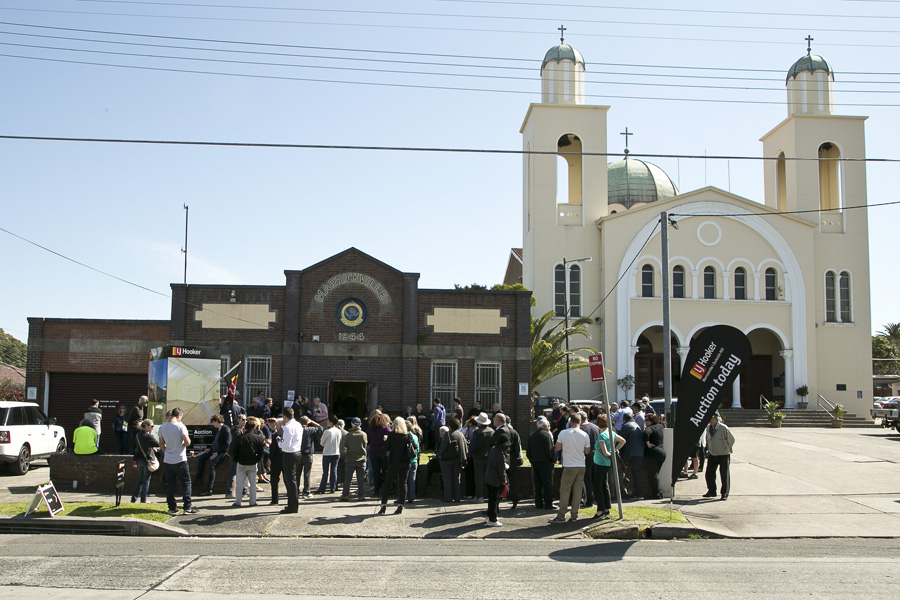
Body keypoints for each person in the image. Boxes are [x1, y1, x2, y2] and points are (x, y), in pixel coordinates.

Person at [549, 413, 590, 524]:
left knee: (565, 490)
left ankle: (561, 515)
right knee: (577, 491)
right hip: (581, 465)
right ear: (580, 422)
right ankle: (574, 515)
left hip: (569, 465)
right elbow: (587, 451)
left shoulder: (563, 433)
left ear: (570, 421)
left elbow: (557, 448)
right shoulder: (584, 434)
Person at [158, 407, 197, 515]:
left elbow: (161, 443)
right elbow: (188, 442)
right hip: (180, 459)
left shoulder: (162, 427)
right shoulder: (181, 426)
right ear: (179, 415)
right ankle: (187, 507)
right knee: (186, 483)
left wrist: (167, 451)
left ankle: (171, 507)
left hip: (168, 460)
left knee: (170, 484)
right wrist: (181, 446)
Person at [592, 414, 625, 519]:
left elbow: (605, 452)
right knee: (604, 485)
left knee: (598, 486)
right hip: (607, 464)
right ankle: (606, 508)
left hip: (600, 463)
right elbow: (623, 441)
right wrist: (615, 450)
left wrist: (609, 453)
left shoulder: (601, 436)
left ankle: (600, 510)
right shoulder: (611, 433)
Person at [378, 417, 413, 515]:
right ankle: (400, 506)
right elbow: (413, 446)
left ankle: (383, 505)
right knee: (403, 484)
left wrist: (386, 440)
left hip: (393, 462)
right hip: (405, 462)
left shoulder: (391, 435)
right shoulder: (407, 435)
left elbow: (386, 448)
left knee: (387, 484)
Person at [230, 419, 265, 507]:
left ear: (245, 427)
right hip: (252, 462)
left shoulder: (240, 438)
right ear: (253, 428)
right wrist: (257, 460)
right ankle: (252, 502)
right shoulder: (258, 438)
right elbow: (261, 452)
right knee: (253, 483)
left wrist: (236, 459)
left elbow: (234, 451)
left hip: (241, 462)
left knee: (240, 482)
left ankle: (238, 502)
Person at [195, 413, 232, 496]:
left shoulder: (225, 429)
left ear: (216, 421)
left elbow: (227, 443)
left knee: (212, 466)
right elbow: (216, 442)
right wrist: (210, 449)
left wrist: (217, 453)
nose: (212, 425)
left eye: (213, 422)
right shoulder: (218, 430)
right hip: (214, 450)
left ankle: (209, 488)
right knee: (201, 458)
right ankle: (198, 479)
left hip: (222, 452)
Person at [493, 412, 523, 510]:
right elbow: (518, 448)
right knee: (511, 482)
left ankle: (496, 504)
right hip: (512, 460)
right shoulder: (514, 433)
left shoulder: (500, 432)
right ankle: (514, 497)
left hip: (503, 460)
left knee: (498, 482)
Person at [704, 412, 736, 500]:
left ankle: (724, 493)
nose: (710, 420)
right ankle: (712, 491)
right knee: (709, 474)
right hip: (712, 453)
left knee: (724, 474)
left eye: (711, 418)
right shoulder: (708, 428)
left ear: (716, 419)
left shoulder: (723, 428)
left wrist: (728, 448)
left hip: (723, 454)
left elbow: (731, 439)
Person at [527, 417, 555, 510]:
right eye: (548, 425)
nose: (549, 427)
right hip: (546, 463)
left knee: (537, 484)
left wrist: (532, 460)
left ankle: (538, 503)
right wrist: (553, 459)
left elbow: (528, 452)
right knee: (547, 484)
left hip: (535, 463)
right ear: (544, 426)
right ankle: (548, 503)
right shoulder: (546, 435)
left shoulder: (532, 436)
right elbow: (549, 450)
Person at [278, 407, 303, 513]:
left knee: (290, 481)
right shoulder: (297, 424)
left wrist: (279, 443)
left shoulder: (288, 427)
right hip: (297, 452)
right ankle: (292, 504)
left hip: (289, 454)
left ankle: (292, 505)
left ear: (284, 416)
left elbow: (286, 444)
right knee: (292, 479)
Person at [483, 430, 510, 527]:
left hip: (488, 478)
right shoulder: (500, 455)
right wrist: (504, 481)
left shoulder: (493, 449)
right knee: (494, 500)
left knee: (491, 499)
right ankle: (492, 519)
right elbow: (501, 471)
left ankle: (489, 515)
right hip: (495, 480)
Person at [437, 419, 467, 502]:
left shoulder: (448, 434)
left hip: (447, 460)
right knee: (456, 479)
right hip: (458, 460)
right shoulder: (461, 434)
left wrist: (438, 455)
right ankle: (457, 497)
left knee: (447, 479)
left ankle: (448, 497)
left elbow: (443, 447)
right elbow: (465, 448)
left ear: (450, 426)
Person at [130, 418, 158, 503]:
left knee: (141, 480)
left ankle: (134, 498)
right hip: (147, 460)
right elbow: (157, 444)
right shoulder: (148, 436)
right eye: (151, 426)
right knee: (146, 480)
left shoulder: (138, 435)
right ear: (146, 426)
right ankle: (143, 499)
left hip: (138, 459)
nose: (152, 428)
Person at [340, 417, 368, 501]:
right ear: (360, 424)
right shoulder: (364, 434)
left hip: (350, 459)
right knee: (360, 480)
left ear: (351, 424)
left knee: (348, 479)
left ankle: (345, 495)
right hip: (361, 459)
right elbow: (365, 444)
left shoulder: (348, 435)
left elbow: (345, 445)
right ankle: (361, 495)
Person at [469, 412, 493, 503]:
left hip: (478, 457)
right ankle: (490, 495)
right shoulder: (492, 431)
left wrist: (470, 453)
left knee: (478, 478)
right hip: (489, 457)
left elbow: (473, 446)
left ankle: (479, 496)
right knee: (489, 477)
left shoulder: (477, 433)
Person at [620, 412, 645, 499]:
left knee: (626, 472)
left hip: (630, 452)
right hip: (640, 451)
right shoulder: (636, 425)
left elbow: (621, 439)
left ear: (624, 420)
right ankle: (639, 493)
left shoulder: (626, 426)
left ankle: (635, 493)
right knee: (637, 473)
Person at [579, 412, 601, 509]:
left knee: (586, 479)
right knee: (594, 478)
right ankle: (595, 497)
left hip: (585, 455)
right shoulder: (596, 427)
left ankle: (589, 500)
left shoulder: (580, 429)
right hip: (596, 455)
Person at [643, 413, 667, 500]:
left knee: (652, 475)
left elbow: (646, 434)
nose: (645, 422)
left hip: (653, 453)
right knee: (656, 474)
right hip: (662, 453)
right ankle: (659, 493)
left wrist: (648, 443)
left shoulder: (650, 428)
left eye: (647, 420)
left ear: (651, 421)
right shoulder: (660, 426)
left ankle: (656, 494)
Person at [367, 412, 391, 495]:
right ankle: (387, 489)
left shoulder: (369, 429)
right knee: (385, 471)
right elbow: (391, 439)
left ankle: (376, 490)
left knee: (376, 471)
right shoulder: (386, 429)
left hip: (373, 451)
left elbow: (368, 441)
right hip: (383, 451)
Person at [299, 416, 322, 498]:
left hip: (298, 454)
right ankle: (306, 491)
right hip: (308, 454)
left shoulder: (297, 430)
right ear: (307, 423)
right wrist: (312, 422)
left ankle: (296, 491)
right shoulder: (310, 430)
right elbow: (320, 428)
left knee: (297, 474)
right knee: (307, 474)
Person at [317, 418, 342, 494]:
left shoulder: (327, 431)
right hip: (336, 452)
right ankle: (333, 487)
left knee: (325, 472)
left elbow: (321, 442)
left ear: (331, 423)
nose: (327, 422)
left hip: (327, 453)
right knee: (334, 471)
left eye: (328, 421)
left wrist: (326, 445)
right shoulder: (339, 431)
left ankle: (322, 488)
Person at [405, 417, 422, 503]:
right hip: (414, 460)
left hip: (406, 461)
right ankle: (411, 497)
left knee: (404, 480)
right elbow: (418, 449)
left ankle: (403, 497)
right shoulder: (415, 436)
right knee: (412, 480)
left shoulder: (404, 436)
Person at [267, 417, 284, 505]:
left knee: (274, 480)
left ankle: (275, 499)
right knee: (288, 479)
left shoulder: (276, 435)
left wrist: (271, 458)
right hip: (285, 457)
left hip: (276, 458)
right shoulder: (287, 433)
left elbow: (273, 449)